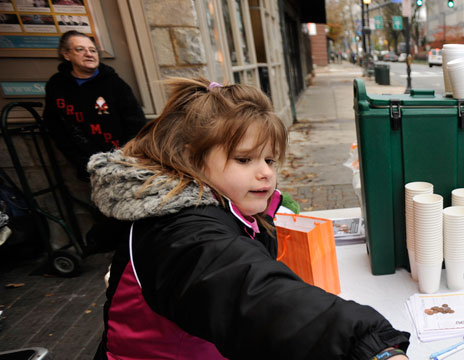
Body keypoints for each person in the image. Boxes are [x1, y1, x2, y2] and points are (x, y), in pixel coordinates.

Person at [87, 77, 410, 359]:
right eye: (244, 159)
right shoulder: (177, 231)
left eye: (269, 159)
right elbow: (251, 293)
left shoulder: (226, 203)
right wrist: (368, 346)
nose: (266, 172)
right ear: (189, 158)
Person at [43, 31, 146, 180]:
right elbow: (54, 125)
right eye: (80, 49)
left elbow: (136, 124)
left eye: (92, 50)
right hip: (86, 164)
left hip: (122, 161)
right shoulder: (57, 85)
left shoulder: (114, 84)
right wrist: (78, 159)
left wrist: (123, 157)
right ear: (66, 54)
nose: (89, 54)